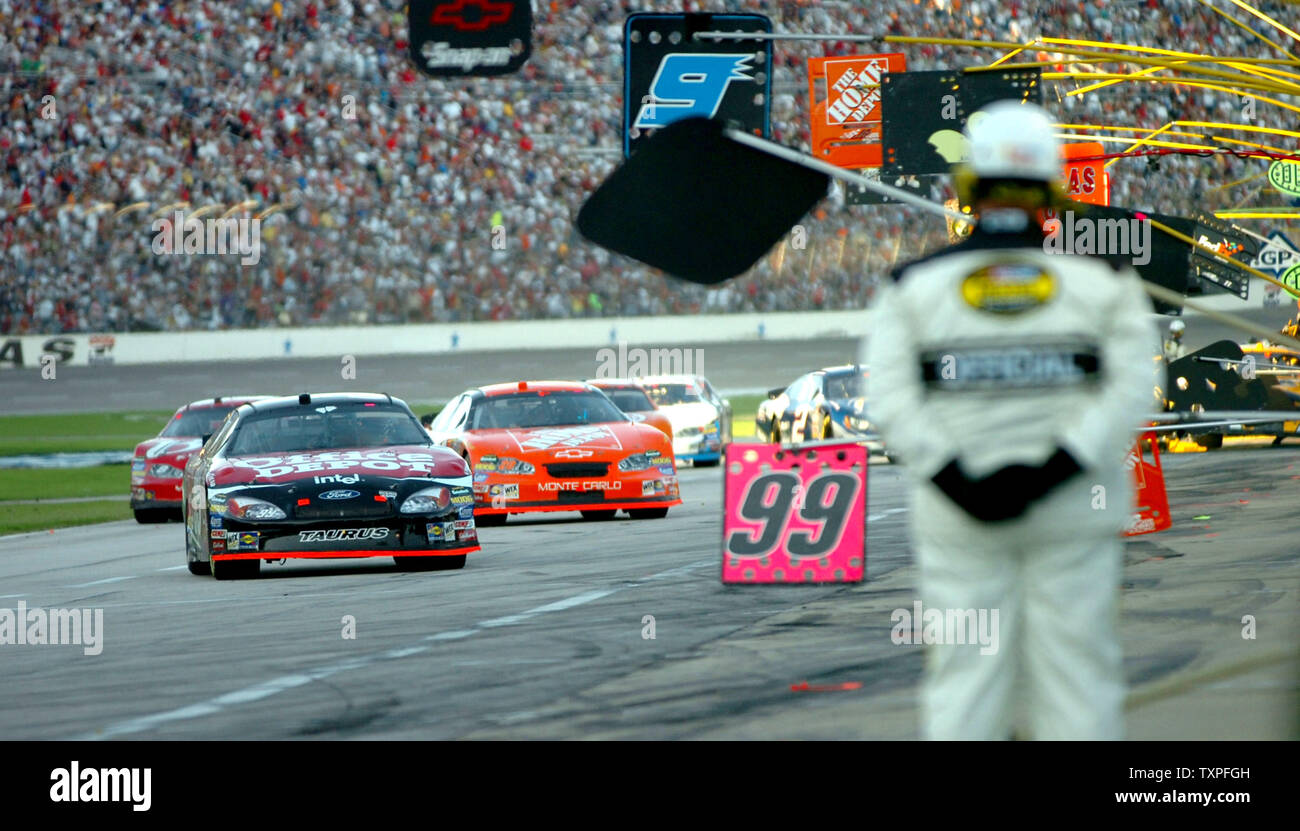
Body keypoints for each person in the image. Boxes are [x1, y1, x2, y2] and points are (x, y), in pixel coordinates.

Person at [867, 100, 1161, 740]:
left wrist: (957, 479)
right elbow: (1137, 389)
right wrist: (1055, 469)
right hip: (1072, 505)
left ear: (966, 187)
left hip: (959, 512)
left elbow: (889, 400)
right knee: (1078, 675)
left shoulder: (911, 286)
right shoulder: (1104, 281)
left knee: (967, 677)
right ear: (1053, 189)